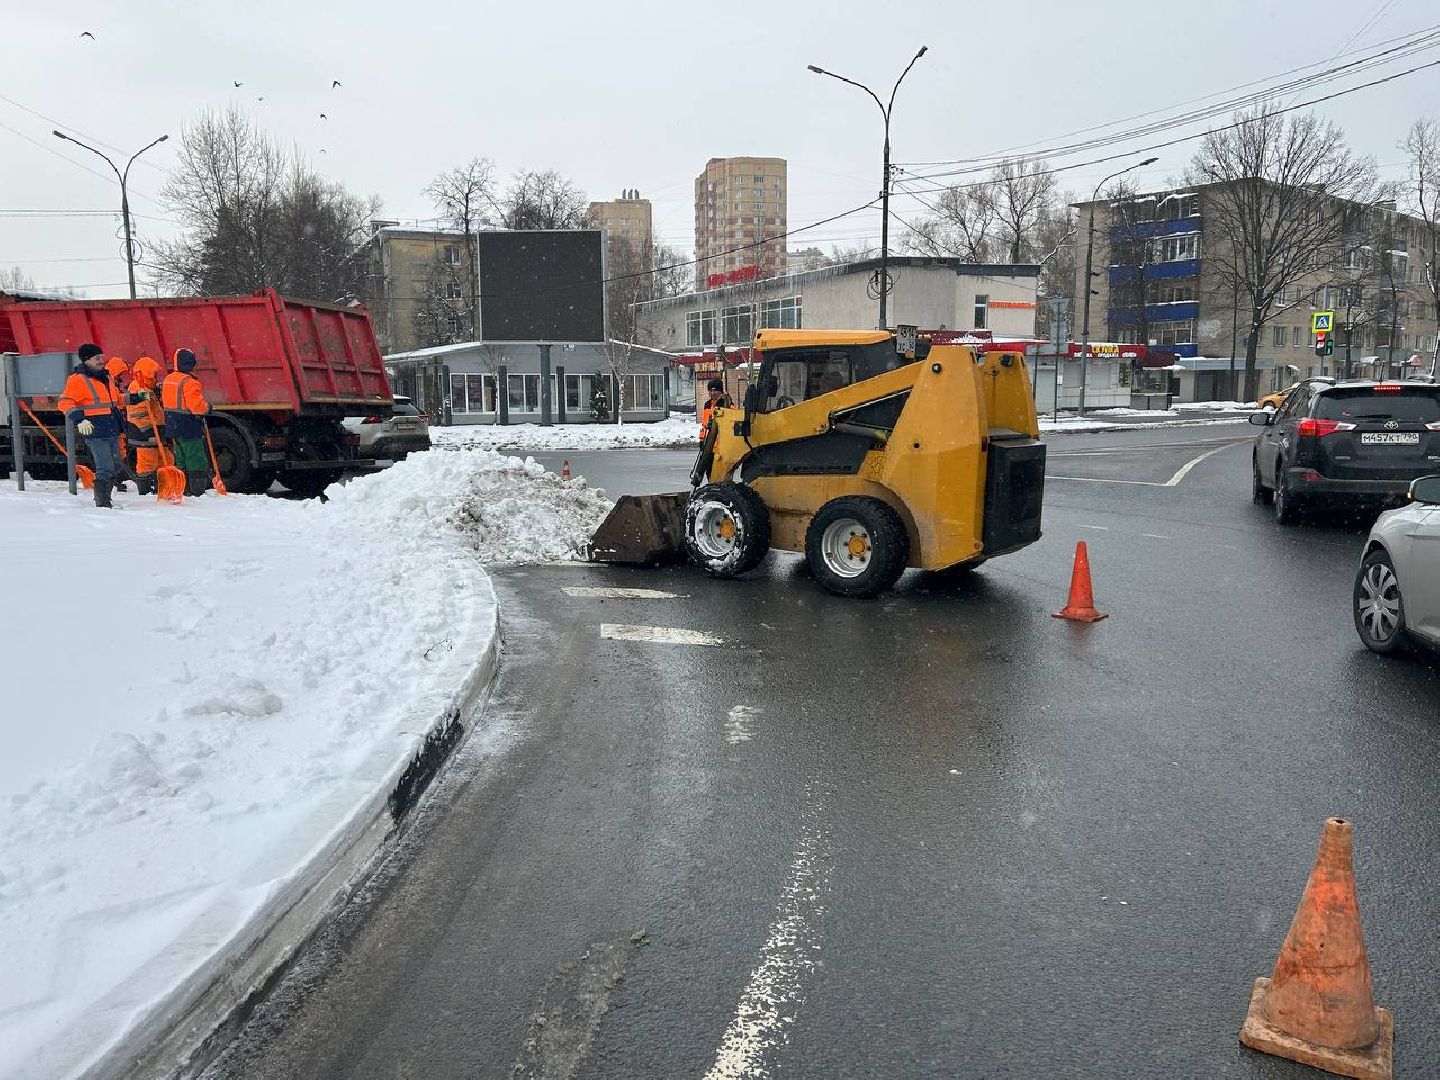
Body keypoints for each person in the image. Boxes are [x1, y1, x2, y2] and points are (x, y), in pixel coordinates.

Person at [56, 343, 123, 508]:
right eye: (97, 358)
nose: (101, 361)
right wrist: (79, 419)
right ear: (86, 360)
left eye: (102, 357)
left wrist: (133, 398)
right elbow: (64, 402)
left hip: (111, 427)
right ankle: (103, 502)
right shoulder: (78, 380)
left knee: (117, 465)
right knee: (105, 466)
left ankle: (105, 498)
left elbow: (114, 401)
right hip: (94, 429)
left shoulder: (106, 377)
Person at [161, 348, 211, 496]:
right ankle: (197, 491)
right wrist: (207, 408)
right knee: (196, 458)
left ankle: (184, 488)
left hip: (172, 424)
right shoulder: (189, 382)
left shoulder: (169, 379)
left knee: (181, 458)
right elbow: (196, 407)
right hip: (187, 425)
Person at [125, 355, 163, 495]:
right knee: (147, 462)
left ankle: (161, 486)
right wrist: (150, 433)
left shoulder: (146, 387)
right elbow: (138, 415)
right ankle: (145, 491)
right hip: (144, 434)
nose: (156, 376)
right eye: (154, 373)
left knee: (164, 459)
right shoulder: (138, 388)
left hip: (153, 432)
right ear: (147, 373)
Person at [699, 378, 730, 443]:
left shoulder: (727, 404)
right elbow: (704, 425)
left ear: (721, 391)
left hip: (723, 444)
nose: (712, 393)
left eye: (715, 390)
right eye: (710, 391)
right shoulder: (707, 405)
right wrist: (701, 439)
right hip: (709, 445)